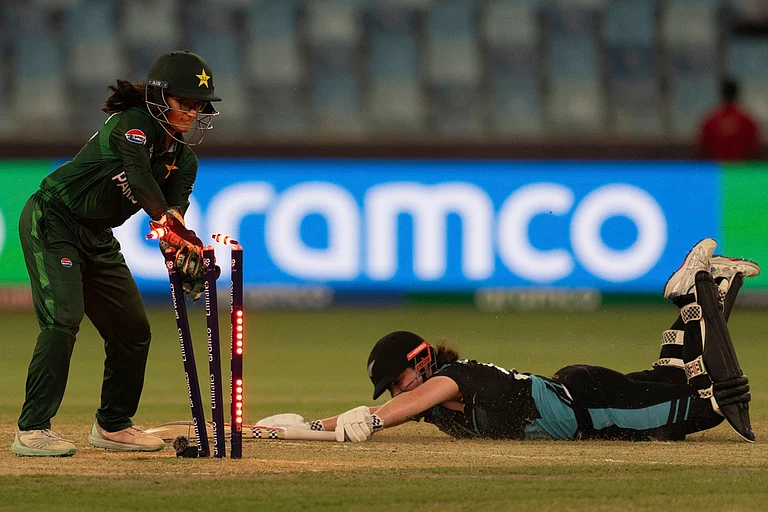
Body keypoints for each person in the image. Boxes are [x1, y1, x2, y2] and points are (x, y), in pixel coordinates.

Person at [261, 239, 758, 444]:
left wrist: (368, 421)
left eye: (399, 379)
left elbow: (405, 405)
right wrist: (306, 428)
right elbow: (403, 407)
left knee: (705, 406)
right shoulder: (432, 403)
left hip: (593, 406)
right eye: (390, 388)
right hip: (580, 393)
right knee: (673, 377)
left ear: (421, 361)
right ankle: (705, 291)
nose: (398, 392)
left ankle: (693, 292)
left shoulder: (447, 381)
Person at [11, 50, 222, 457]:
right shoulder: (133, 125)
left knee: (133, 331)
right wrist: (176, 229)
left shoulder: (186, 161)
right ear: (161, 99)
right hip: (54, 218)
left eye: (199, 107)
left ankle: (112, 424)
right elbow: (142, 182)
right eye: (186, 103)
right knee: (62, 320)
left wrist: (179, 248)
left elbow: (171, 217)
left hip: (97, 235)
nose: (193, 114)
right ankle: (32, 428)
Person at [698, 78, 761, 161]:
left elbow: (703, 148)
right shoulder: (747, 121)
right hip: (741, 169)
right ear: (737, 94)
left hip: (717, 169)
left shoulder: (711, 120)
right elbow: (754, 149)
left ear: (722, 94)